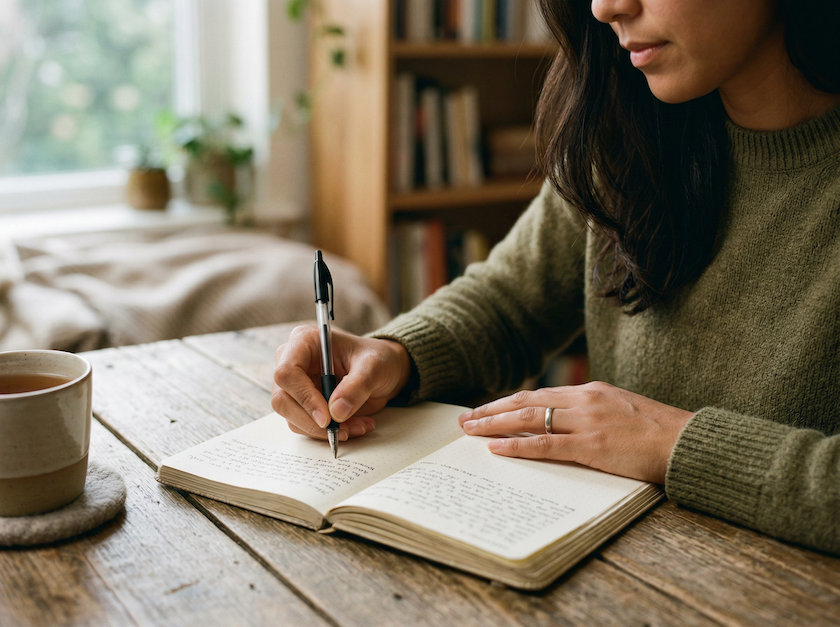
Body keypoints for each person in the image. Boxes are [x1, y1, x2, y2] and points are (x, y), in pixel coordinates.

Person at [273, 0, 840, 555]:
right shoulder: (630, 128)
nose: (604, 8)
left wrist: (670, 443)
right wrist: (395, 353)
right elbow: (509, 299)